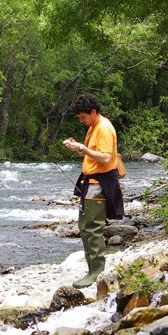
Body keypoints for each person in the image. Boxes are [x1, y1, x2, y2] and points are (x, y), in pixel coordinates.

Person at [63, 93, 124, 288]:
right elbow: (93, 154)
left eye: (83, 117)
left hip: (100, 183)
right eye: (80, 118)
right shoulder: (94, 126)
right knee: (84, 226)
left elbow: (106, 158)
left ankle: (96, 272)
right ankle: (91, 269)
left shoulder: (104, 128)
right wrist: (78, 148)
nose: (81, 121)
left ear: (94, 112)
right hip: (92, 182)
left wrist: (82, 147)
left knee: (93, 228)